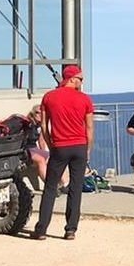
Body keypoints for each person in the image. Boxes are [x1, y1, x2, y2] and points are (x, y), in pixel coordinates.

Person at [30, 65, 94, 240]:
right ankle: (70, 229)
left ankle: (41, 229)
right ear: (72, 78)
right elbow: (89, 127)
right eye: (80, 79)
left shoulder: (49, 97)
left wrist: (51, 145)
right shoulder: (85, 99)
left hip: (59, 147)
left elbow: (44, 126)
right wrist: (88, 149)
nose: (82, 82)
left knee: (50, 187)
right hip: (79, 146)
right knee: (75, 187)